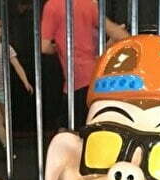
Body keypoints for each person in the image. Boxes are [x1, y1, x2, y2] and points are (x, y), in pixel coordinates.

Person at [41, 0, 128, 129]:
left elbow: (44, 46)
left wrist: (59, 47)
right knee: (77, 128)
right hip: (95, 78)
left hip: (76, 78)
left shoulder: (53, 5)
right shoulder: (88, 5)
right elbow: (121, 35)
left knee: (68, 132)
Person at [0, 16, 33, 153]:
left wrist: (26, 82)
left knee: (4, 119)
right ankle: (7, 148)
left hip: (2, 89)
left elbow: (17, 66)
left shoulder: (7, 48)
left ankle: (7, 141)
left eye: (0, 26)